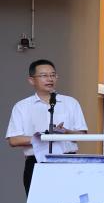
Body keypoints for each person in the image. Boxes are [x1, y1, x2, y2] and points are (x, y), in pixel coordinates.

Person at [6, 59, 88, 194]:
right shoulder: (22, 106)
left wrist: (66, 132)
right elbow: (13, 140)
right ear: (31, 80)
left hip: (69, 161)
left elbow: (83, 135)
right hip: (36, 163)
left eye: (53, 75)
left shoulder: (71, 103)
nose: (50, 79)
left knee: (69, 202)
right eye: (44, 75)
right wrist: (42, 137)